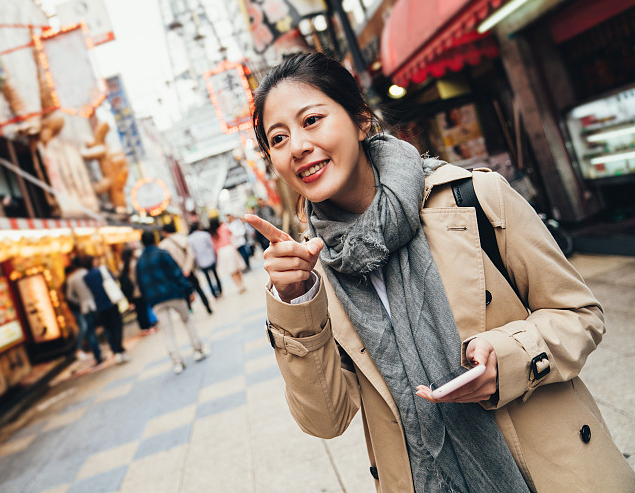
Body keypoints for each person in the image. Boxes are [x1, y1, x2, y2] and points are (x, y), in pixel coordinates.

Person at [245, 52, 634, 493]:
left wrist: (505, 360)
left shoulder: (476, 197)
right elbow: (325, 420)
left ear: (360, 120)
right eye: (277, 139)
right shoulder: (313, 274)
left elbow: (580, 314)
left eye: (311, 120)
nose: (296, 146)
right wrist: (296, 303)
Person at [136, 230, 209, 374]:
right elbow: (176, 273)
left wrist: (150, 301)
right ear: (155, 239)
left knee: (167, 331)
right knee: (187, 321)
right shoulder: (162, 254)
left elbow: (141, 285)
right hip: (174, 294)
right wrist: (188, 290)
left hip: (156, 300)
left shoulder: (140, 262)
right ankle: (198, 350)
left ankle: (177, 362)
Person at [82, 256, 130, 364]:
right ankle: (119, 349)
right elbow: (113, 279)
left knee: (108, 329)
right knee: (117, 327)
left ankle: (116, 351)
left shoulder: (86, 277)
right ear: (92, 261)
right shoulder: (102, 270)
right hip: (110, 302)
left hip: (99, 306)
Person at [159, 223, 212, 315]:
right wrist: (187, 269)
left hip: (176, 274)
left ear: (165, 232)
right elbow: (191, 254)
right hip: (188, 270)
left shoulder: (163, 245)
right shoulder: (183, 238)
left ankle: (188, 310)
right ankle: (207, 307)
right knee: (198, 289)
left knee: (183, 293)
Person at [64, 257, 103, 365]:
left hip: (84, 307)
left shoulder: (71, 278)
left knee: (90, 331)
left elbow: (69, 296)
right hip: (95, 303)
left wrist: (80, 301)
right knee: (97, 328)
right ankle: (102, 350)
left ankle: (97, 354)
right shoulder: (87, 272)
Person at [118, 246, 156, 336]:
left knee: (139, 311)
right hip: (139, 290)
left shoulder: (121, 265)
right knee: (143, 309)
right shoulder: (134, 263)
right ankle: (147, 327)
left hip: (130, 292)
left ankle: (143, 328)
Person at [209, 216, 246, 293]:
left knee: (231, 271)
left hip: (221, 252)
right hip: (230, 248)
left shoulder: (213, 234)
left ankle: (238, 286)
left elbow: (214, 247)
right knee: (237, 268)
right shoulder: (224, 227)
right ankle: (242, 283)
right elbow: (231, 234)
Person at [188, 221, 222, 298]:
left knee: (208, 279)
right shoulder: (205, 235)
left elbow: (192, 252)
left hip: (201, 262)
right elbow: (211, 246)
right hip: (210, 258)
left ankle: (214, 294)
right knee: (216, 275)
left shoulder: (190, 239)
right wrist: (215, 255)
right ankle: (220, 290)